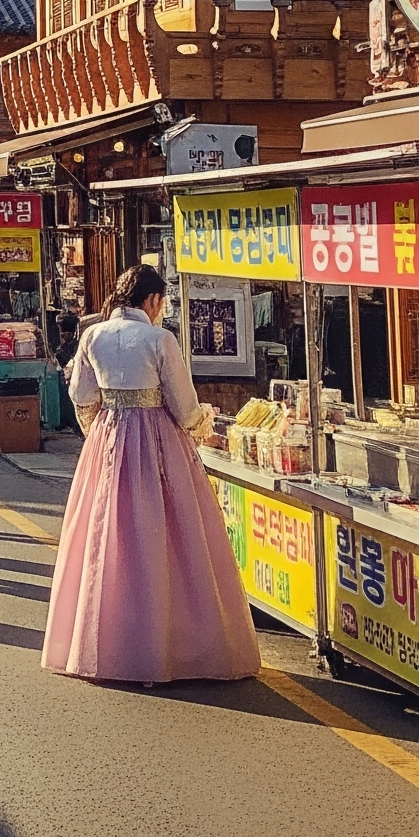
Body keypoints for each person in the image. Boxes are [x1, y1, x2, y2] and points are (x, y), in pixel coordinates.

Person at [41, 263, 260, 685]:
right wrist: (202, 431)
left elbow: (81, 395)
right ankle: (175, 646)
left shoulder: (93, 335)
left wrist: (100, 431)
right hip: (158, 440)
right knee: (169, 534)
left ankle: (107, 643)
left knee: (107, 536)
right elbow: (184, 403)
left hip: (109, 435)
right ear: (154, 300)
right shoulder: (160, 339)